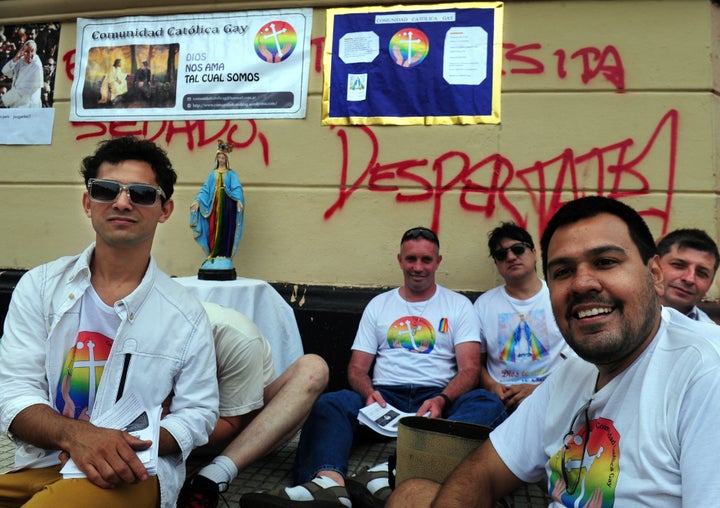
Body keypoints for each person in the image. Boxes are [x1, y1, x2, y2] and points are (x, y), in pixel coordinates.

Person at [387, 196, 720, 508]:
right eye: (563, 272)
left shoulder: (705, 371)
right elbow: (486, 471)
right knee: (413, 493)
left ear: (655, 275)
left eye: (605, 262)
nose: (581, 284)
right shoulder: (573, 372)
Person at [0, 136, 219, 508]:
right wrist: (76, 437)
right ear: (88, 203)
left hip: (133, 472)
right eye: (105, 190)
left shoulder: (186, 316)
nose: (122, 202)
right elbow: (13, 393)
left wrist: (122, 444)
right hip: (46, 462)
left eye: (141, 194)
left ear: (165, 209)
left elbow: (198, 413)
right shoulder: (39, 287)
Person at [242, 227, 506, 508]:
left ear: (438, 262)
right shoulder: (379, 305)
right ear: (399, 259)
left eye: (426, 260)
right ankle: (328, 484)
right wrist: (369, 393)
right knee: (331, 403)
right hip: (384, 398)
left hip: (438, 401)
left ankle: (387, 471)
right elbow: (357, 368)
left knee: (487, 404)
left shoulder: (458, 305)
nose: (418, 267)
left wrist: (442, 399)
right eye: (411, 259)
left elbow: (469, 369)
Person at [177, 301, 329, 508]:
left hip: (234, 434)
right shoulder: (141, 329)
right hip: (162, 435)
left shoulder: (234, 335)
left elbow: (230, 425)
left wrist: (170, 428)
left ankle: (212, 477)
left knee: (314, 368)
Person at [475, 222, 571, 412]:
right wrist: (492, 387)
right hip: (500, 401)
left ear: (534, 253)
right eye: (501, 254)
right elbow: (475, 363)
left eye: (518, 249)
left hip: (554, 395)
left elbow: (580, 360)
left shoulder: (561, 296)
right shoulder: (483, 305)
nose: (510, 257)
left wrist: (539, 389)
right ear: (497, 264)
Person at [190, 140, 245, 277]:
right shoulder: (212, 174)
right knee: (213, 227)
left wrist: (238, 200)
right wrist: (197, 201)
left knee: (225, 228)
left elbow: (237, 188)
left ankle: (224, 255)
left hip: (227, 205)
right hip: (214, 205)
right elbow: (205, 189)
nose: (221, 160)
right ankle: (213, 253)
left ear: (227, 159)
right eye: (219, 157)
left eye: (223, 158)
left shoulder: (231, 174)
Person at [656, 228, 719, 323]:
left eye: (701, 273)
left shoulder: (712, 335)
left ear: (710, 283)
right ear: (654, 266)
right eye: (679, 265)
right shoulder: (626, 315)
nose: (689, 279)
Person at [0, 39, 43, 108]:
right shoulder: (21, 60)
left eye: (32, 51)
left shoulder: (36, 65)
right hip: (16, 105)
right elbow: (6, 72)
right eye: (26, 51)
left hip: (29, 107)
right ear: (22, 51)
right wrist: (16, 58)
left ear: (36, 50)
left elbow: (22, 89)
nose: (29, 54)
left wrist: (3, 100)